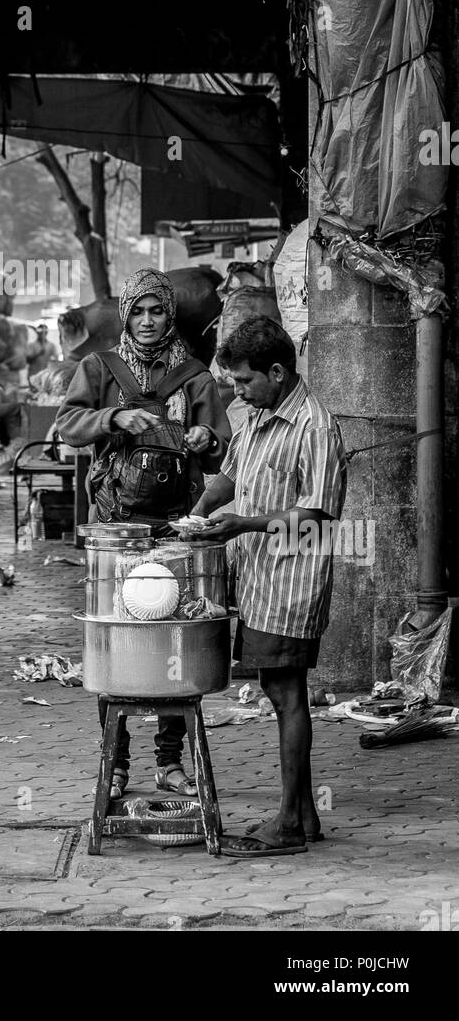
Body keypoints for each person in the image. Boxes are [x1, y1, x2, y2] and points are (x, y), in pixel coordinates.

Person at [56, 268, 230, 800]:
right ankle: (118, 763)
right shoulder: (99, 367)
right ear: (125, 315)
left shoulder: (195, 375)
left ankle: (169, 762)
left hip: (176, 528)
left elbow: (222, 443)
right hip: (116, 529)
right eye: (139, 311)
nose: (148, 321)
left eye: (157, 311)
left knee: (177, 635)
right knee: (117, 637)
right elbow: (67, 424)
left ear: (169, 315)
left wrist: (204, 436)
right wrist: (113, 417)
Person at [190, 315, 347, 857]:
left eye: (243, 381)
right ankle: (304, 816)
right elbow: (230, 477)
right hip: (257, 578)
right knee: (281, 693)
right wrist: (197, 514)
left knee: (286, 693)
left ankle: (287, 823)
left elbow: (318, 516)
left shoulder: (315, 426)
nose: (236, 390)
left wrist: (242, 524)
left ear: (277, 372)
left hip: (291, 582)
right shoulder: (257, 416)